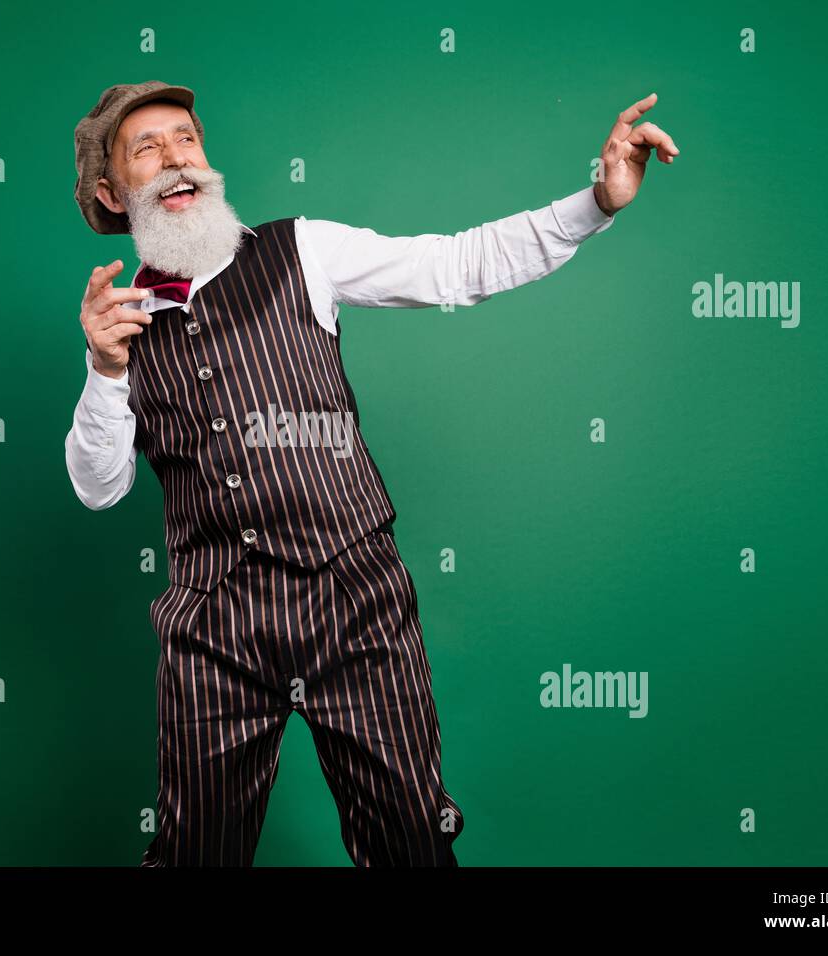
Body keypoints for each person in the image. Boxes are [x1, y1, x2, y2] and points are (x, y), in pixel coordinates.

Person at [65, 81, 678, 866]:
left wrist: (597, 200)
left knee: (409, 842)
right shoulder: (118, 326)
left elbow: (458, 265)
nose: (176, 160)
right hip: (211, 624)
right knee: (196, 852)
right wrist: (105, 368)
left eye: (186, 139)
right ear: (114, 192)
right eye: (146, 148)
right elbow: (97, 485)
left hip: (353, 599)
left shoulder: (302, 250)